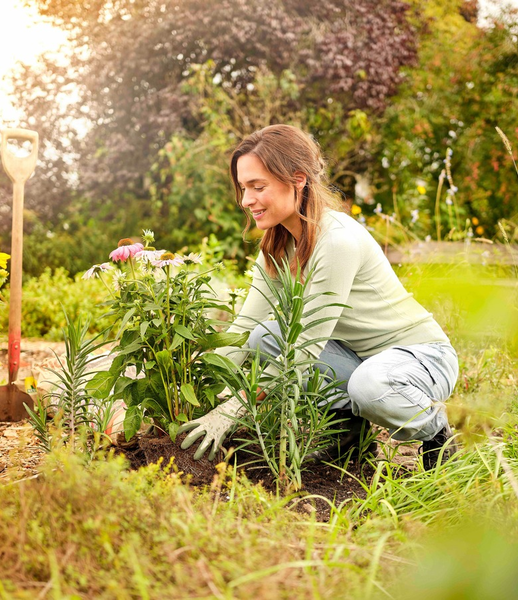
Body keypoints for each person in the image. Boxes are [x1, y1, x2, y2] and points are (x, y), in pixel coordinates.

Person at [179, 124, 458, 469]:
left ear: (298, 179)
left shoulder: (337, 240)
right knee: (263, 337)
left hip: (420, 360)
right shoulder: (278, 246)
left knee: (368, 385)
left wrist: (232, 408)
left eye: (257, 186)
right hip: (357, 361)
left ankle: (437, 434)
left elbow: (305, 349)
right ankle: (349, 441)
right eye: (242, 188)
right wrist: (190, 388)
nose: (246, 200)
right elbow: (243, 326)